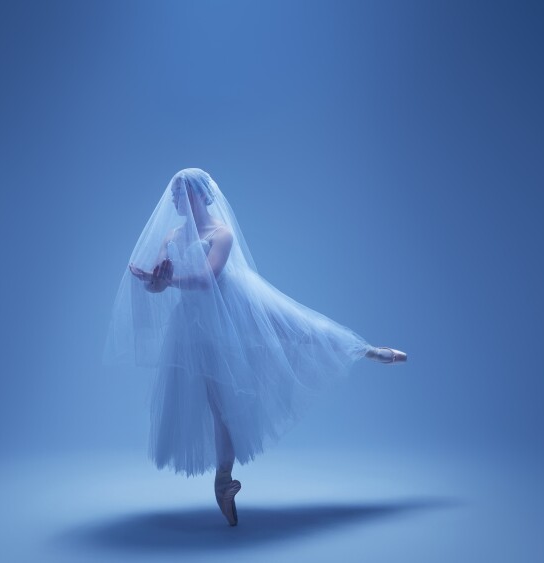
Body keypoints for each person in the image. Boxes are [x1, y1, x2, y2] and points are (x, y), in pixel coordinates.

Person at [104, 168, 406, 527]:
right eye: (172, 194)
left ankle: (366, 351)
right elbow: (161, 283)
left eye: (178, 193)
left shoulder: (222, 234)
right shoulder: (172, 235)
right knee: (220, 407)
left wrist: (169, 282)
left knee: (302, 330)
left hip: (238, 308)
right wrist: (153, 282)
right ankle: (223, 484)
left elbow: (205, 279)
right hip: (194, 329)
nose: (172, 200)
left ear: (200, 195)